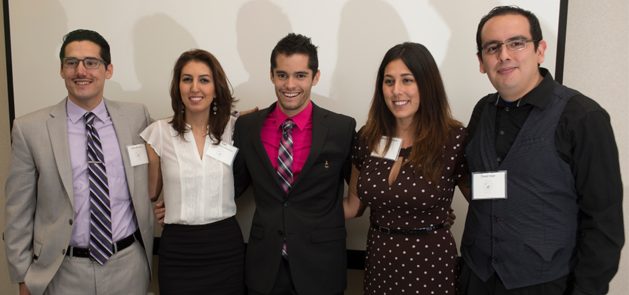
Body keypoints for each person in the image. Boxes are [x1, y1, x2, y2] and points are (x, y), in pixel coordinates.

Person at [461, 6, 624, 295]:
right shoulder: (481, 111)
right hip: (477, 277)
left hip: (546, 283)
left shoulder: (583, 117)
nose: (504, 55)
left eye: (516, 43)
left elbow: (604, 222)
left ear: (540, 50)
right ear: (481, 61)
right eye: (492, 47)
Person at [4, 29, 154, 295]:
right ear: (62, 70)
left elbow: (181, 134)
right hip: (61, 271)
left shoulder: (136, 116)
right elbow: (18, 212)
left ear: (108, 70)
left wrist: (228, 118)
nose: (81, 71)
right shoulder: (29, 128)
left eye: (91, 62)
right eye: (71, 63)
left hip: (128, 266)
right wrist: (23, 278)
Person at [233, 33, 356, 295]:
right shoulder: (247, 127)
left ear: (316, 76)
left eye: (300, 75)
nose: (290, 84)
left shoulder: (341, 128)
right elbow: (232, 187)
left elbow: (361, 194)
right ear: (271, 75)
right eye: (282, 75)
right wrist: (184, 202)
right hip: (264, 268)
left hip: (322, 267)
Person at [343, 42, 470, 294]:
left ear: (427, 84)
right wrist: (297, 212)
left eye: (407, 80)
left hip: (430, 264)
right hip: (380, 262)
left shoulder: (454, 139)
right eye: (389, 81)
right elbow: (354, 206)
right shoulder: (368, 137)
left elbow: (483, 206)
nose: (396, 90)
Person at [141, 49, 245, 294]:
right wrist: (176, 203)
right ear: (178, 86)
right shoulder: (158, 132)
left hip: (225, 247)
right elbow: (151, 193)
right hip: (178, 250)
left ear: (216, 87)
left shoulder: (236, 128)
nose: (194, 87)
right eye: (187, 79)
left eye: (204, 80)